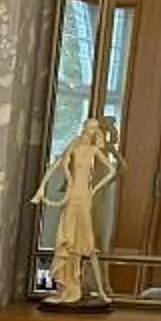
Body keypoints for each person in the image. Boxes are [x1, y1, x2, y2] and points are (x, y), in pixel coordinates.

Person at [34, 115, 122, 307]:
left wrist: (95, 189)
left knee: (89, 246)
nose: (86, 132)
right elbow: (56, 166)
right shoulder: (74, 148)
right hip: (71, 198)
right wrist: (41, 190)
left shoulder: (93, 151)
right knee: (67, 242)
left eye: (91, 129)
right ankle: (66, 288)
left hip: (84, 199)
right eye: (85, 127)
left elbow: (113, 170)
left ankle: (101, 291)